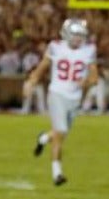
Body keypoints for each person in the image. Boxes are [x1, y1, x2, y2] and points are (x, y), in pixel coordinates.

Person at [24, 18, 99, 186]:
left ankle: (43, 138)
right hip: (57, 94)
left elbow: (95, 77)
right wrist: (31, 81)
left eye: (81, 35)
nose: (78, 39)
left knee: (60, 132)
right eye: (75, 35)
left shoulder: (89, 50)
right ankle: (57, 173)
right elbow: (42, 67)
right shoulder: (55, 47)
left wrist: (86, 82)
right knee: (60, 133)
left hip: (75, 98)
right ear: (66, 34)